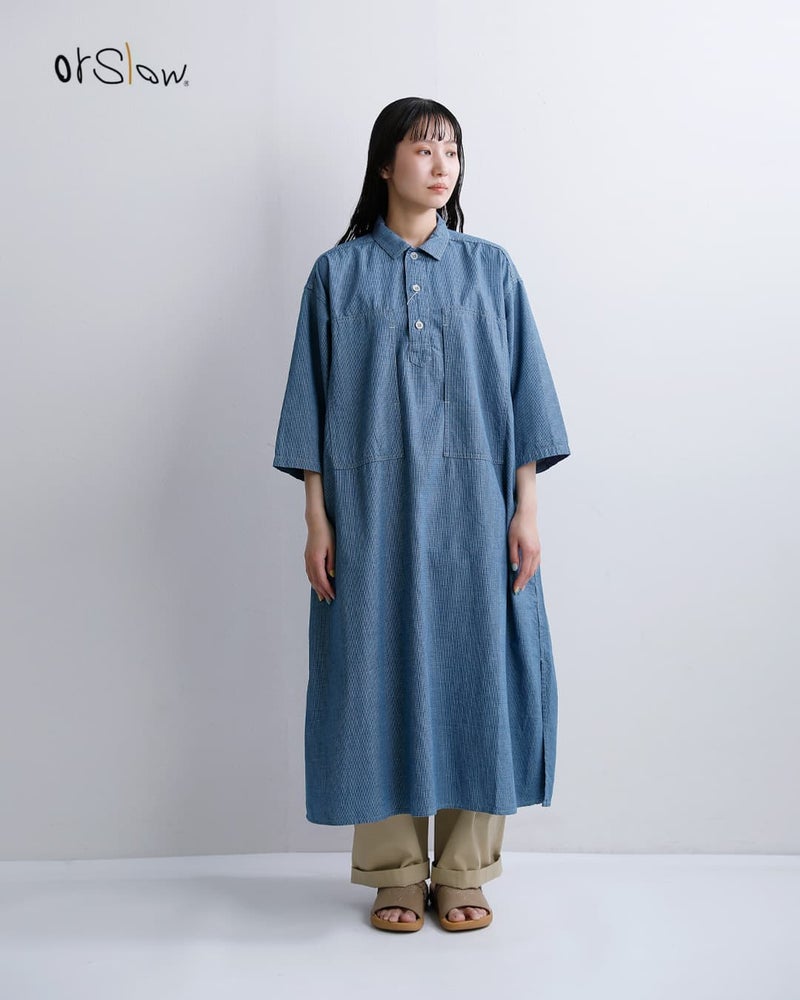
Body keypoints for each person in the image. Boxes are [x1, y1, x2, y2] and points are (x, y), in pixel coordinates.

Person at [272, 97, 571, 932]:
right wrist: (317, 519)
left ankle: (466, 870)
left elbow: (525, 396)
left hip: (479, 512)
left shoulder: (492, 271)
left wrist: (527, 509)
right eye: (423, 148)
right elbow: (309, 406)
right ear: (384, 163)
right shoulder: (335, 275)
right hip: (370, 514)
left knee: (483, 672)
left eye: (452, 151)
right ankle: (395, 872)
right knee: (375, 671)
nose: (442, 165)